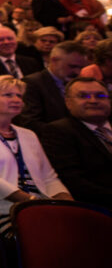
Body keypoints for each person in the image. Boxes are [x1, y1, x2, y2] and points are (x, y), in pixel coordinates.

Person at [0, 75, 72, 236]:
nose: (16, 99)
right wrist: (31, 202)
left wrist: (68, 203)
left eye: (19, 96)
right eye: (8, 95)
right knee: (42, 237)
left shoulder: (28, 134)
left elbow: (49, 177)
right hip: (2, 208)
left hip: (41, 205)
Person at [40, 77, 112, 208]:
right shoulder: (58, 131)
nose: (93, 100)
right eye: (83, 96)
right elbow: (73, 180)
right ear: (68, 102)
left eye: (100, 95)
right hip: (97, 209)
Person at [15, 41, 90, 134]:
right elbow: (30, 123)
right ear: (54, 60)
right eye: (72, 66)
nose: (77, 72)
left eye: (81, 67)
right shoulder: (32, 83)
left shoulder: (78, 84)